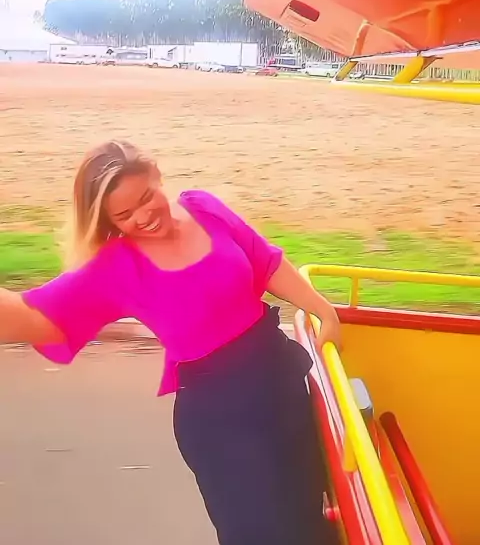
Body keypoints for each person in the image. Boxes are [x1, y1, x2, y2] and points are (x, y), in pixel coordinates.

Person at [0, 140, 341, 545]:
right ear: (107, 221)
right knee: (263, 533)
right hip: (221, 422)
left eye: (146, 197)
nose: (143, 216)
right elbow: (34, 315)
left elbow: (263, 259)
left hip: (281, 383)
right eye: (124, 215)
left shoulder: (204, 207)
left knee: (308, 513)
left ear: (156, 175)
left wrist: (322, 308)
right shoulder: (117, 267)